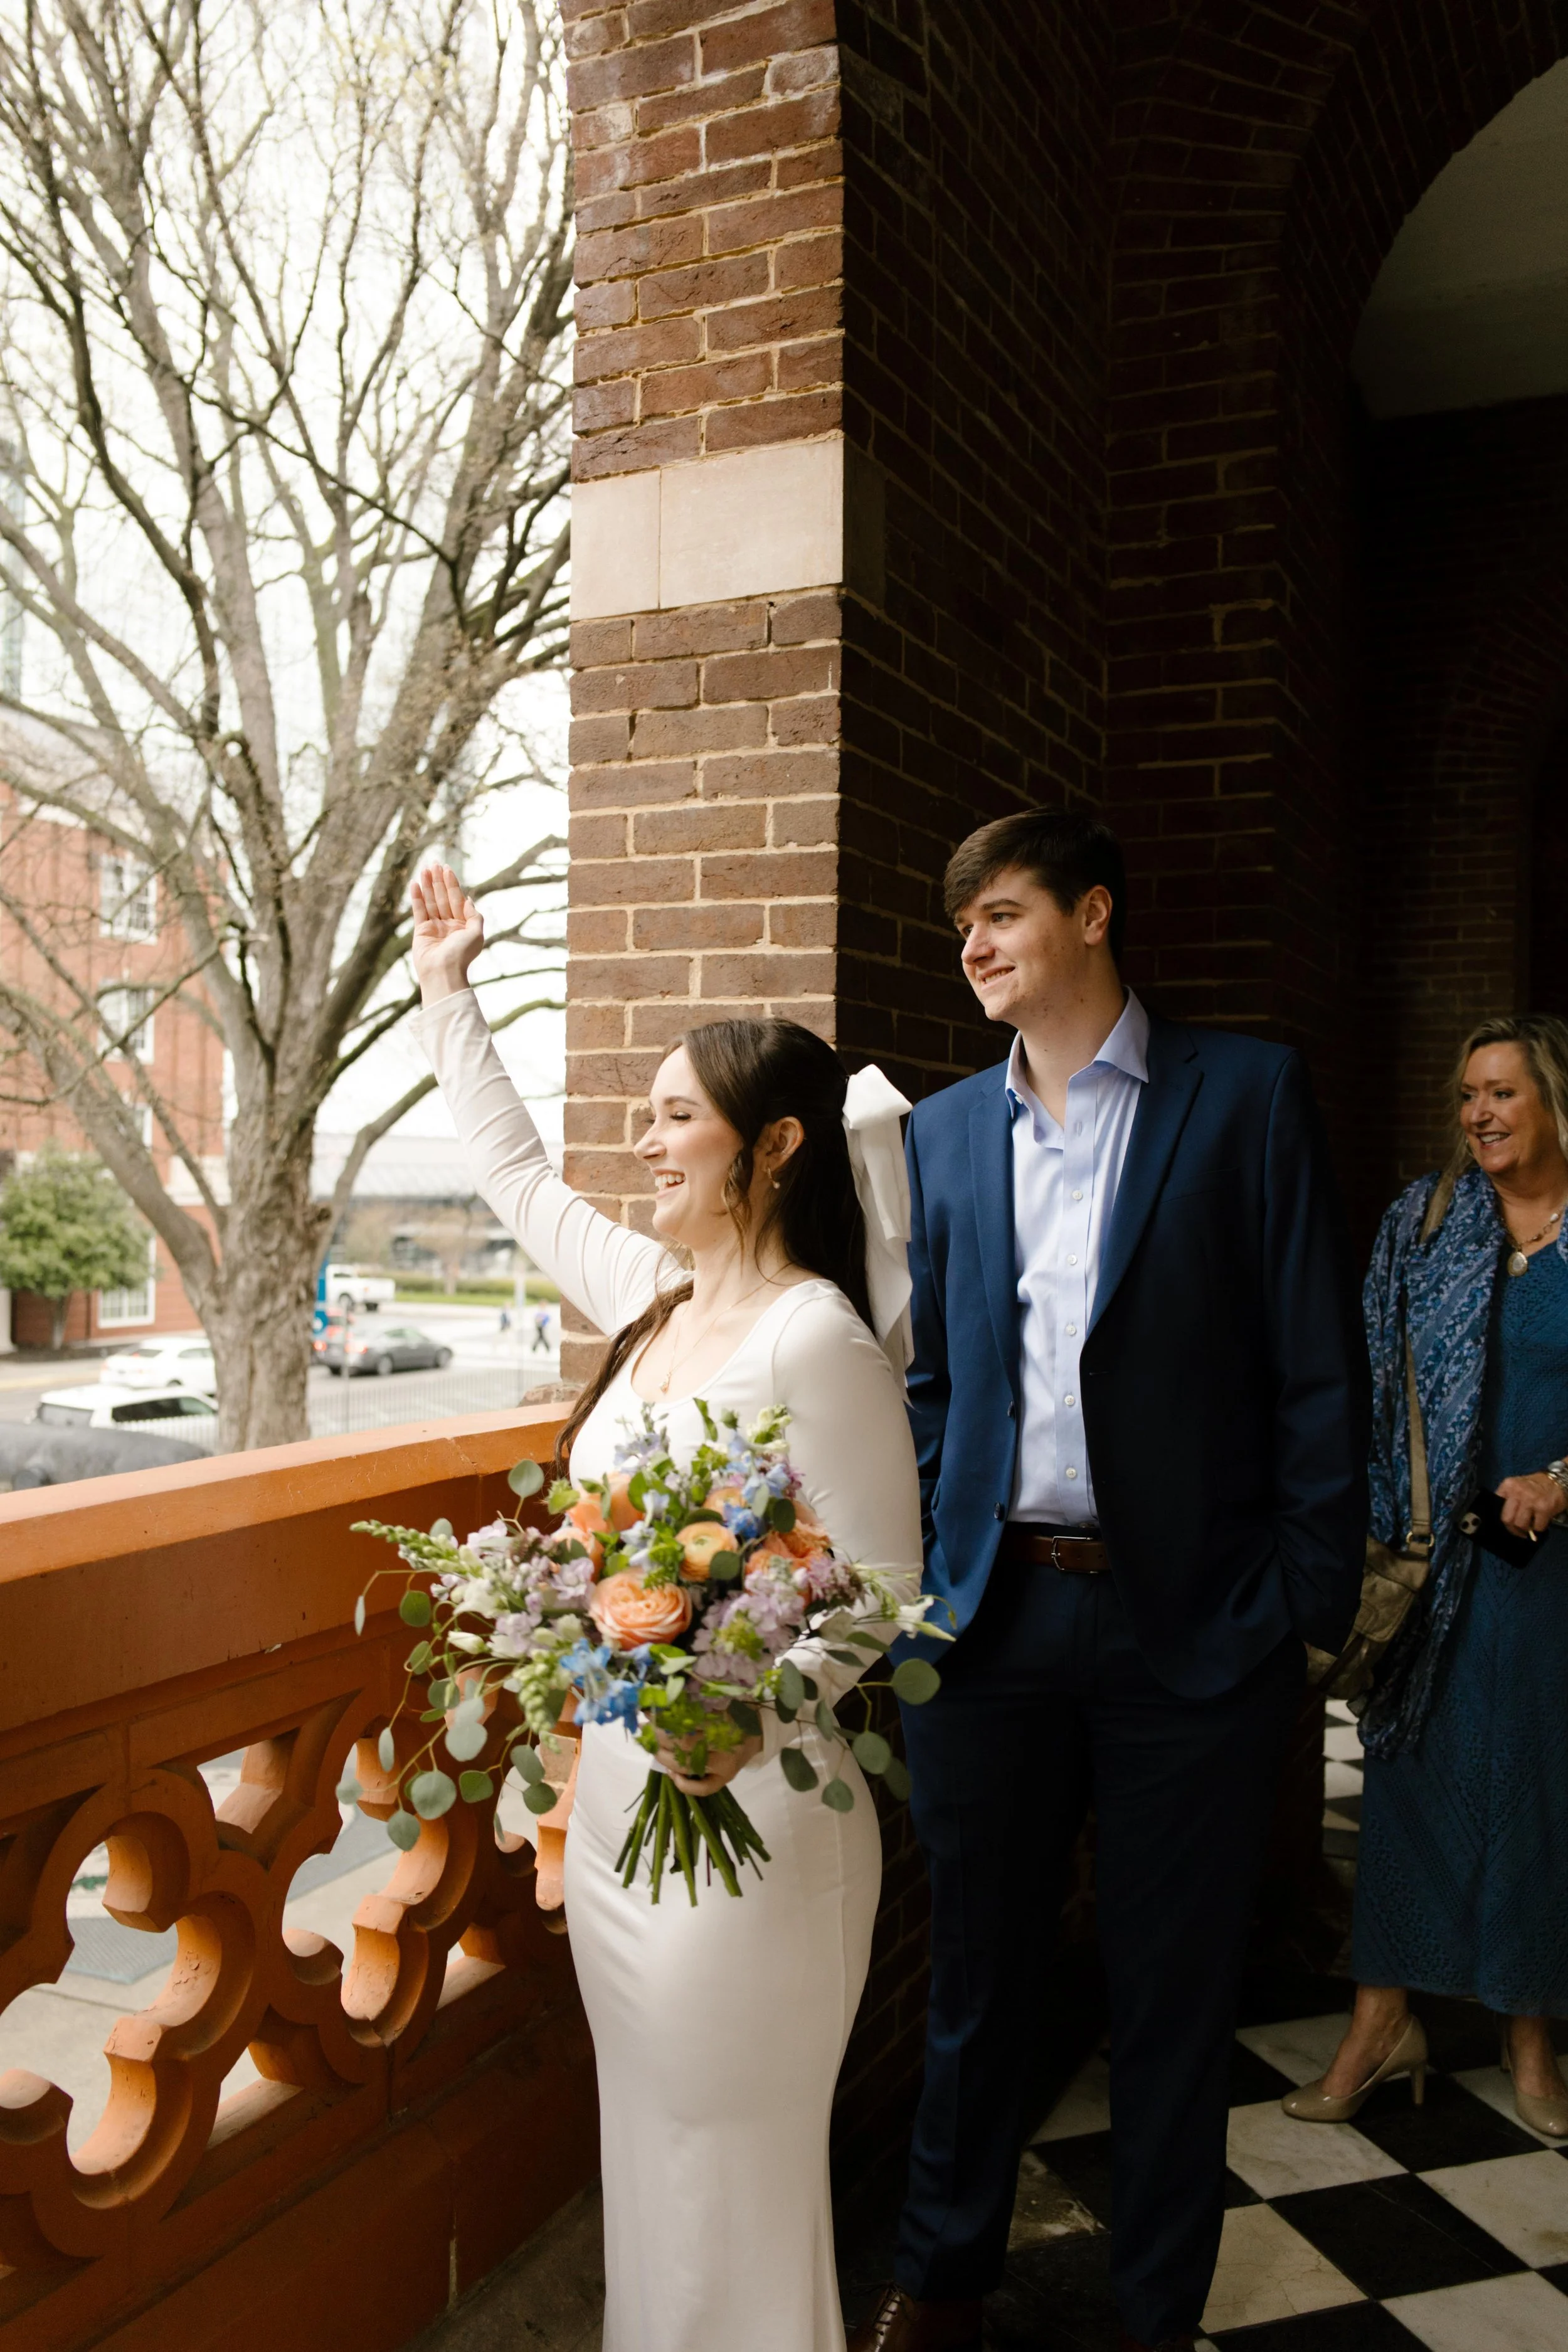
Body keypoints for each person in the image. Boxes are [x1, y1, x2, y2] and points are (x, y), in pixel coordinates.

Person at [853, 811, 1368, 2352]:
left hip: (1191, 1631)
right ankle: (941, 2279)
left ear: (1091, 912)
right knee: (977, 1986)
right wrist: (936, 1566)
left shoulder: (1245, 1092)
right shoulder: (944, 1132)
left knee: (1166, 2003)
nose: (975, 945)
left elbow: (1313, 1375)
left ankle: (1153, 2315)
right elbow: (935, 1380)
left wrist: (1298, 1608)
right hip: (994, 1619)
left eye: (1002, 912)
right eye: (960, 929)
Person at [408, 862, 924, 2352]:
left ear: (768, 1147)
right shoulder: (649, 1298)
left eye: (670, 1117)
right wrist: (452, 991)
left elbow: (886, 1594)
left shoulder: (813, 1337)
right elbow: (515, 1182)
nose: (640, 1143)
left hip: (757, 1817)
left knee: (729, 2174)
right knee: (647, 2163)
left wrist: (739, 1707)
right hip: (630, 1803)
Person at [1283, 1014, 1568, 2139]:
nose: (1479, 1116)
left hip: (1551, 1571)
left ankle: (1530, 2032)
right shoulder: (1428, 1217)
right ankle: (1381, 2018)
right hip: (1429, 1553)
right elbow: (1365, 1372)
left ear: (1551, 1099)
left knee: (1537, 1785)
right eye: (1467, 1096)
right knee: (1405, 1777)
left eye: (1501, 1093)